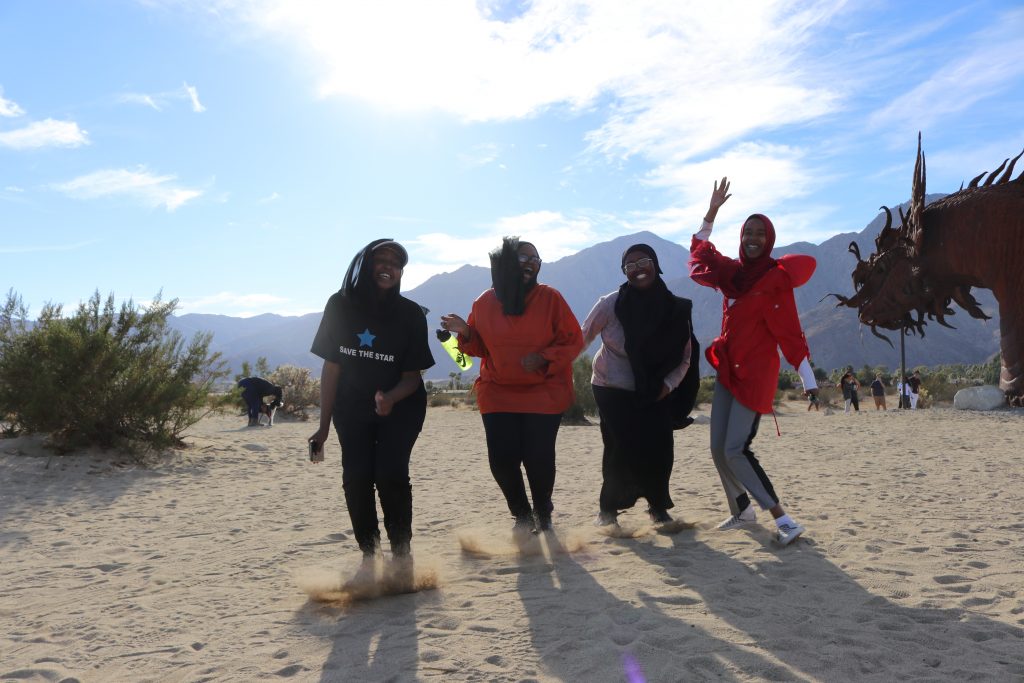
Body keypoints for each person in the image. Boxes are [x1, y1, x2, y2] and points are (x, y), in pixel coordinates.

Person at [688, 176, 817, 546]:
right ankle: (741, 508)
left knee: (735, 449)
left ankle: (784, 520)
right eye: (748, 232)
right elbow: (699, 251)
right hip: (729, 368)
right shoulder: (733, 273)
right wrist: (712, 211)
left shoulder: (775, 281)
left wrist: (808, 379)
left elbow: (789, 333)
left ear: (770, 238)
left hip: (756, 375)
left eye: (760, 233)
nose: (754, 238)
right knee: (717, 448)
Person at [441, 237, 583, 533]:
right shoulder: (484, 302)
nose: (531, 262)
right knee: (502, 460)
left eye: (535, 259)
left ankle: (543, 513)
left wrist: (544, 357)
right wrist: (465, 331)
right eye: (522, 258)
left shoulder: (550, 298)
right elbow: (478, 347)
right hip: (498, 390)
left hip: (543, 392)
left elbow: (573, 340)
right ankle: (521, 514)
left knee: (538, 458)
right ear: (506, 262)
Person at [307, 239, 435, 560]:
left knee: (390, 474)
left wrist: (389, 398)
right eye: (382, 259)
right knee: (356, 478)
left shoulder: (411, 315)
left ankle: (402, 553)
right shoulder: (339, 305)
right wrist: (323, 428)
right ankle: (369, 552)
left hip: (402, 408)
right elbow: (332, 366)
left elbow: (411, 378)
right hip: (351, 409)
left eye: (396, 263)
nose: (389, 267)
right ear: (366, 264)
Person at [581, 243, 693, 527]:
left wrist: (668, 385)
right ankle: (608, 511)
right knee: (622, 444)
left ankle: (657, 506)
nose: (637, 269)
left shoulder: (675, 309)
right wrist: (553, 367)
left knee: (660, 446)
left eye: (642, 262)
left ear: (655, 264)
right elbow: (583, 337)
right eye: (629, 266)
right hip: (610, 385)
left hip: (655, 387)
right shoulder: (611, 303)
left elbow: (685, 358)